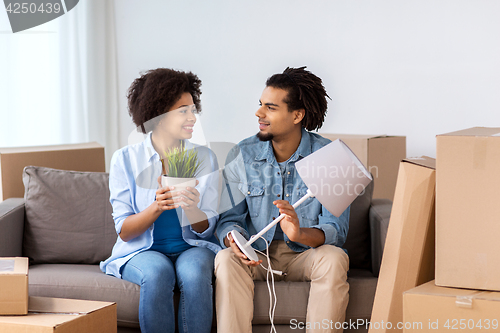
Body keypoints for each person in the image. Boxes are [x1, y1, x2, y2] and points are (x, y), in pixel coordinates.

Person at [215, 67, 350, 333]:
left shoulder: (331, 156)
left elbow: (337, 229)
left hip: (306, 254)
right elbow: (229, 219)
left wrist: (299, 233)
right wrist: (234, 239)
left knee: (334, 259)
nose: (259, 113)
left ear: (297, 115)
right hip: (258, 255)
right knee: (225, 259)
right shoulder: (242, 153)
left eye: (271, 107)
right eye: (260, 105)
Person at [100, 68, 220, 333]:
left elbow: (207, 228)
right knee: (156, 274)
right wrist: (157, 206)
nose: (192, 118)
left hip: (192, 246)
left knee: (195, 274)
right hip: (143, 251)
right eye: (183, 111)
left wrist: (191, 207)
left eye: (192, 110)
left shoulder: (205, 159)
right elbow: (125, 231)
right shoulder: (125, 159)